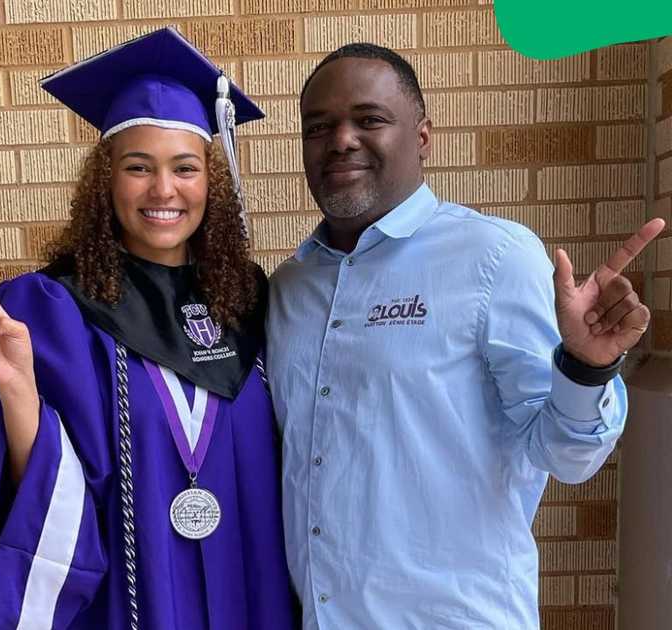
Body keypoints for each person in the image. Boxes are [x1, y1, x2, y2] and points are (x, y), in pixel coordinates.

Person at [267, 42, 665, 629]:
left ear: (423, 136)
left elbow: (565, 456)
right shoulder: (289, 289)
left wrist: (584, 367)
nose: (342, 140)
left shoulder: (494, 258)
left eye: (369, 119)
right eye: (319, 126)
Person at [0, 28, 297, 630]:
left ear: (213, 181)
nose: (164, 190)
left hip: (249, 597)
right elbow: (29, 496)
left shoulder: (251, 302)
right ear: (106, 181)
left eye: (185, 168)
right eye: (138, 167)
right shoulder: (48, 312)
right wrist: (19, 389)